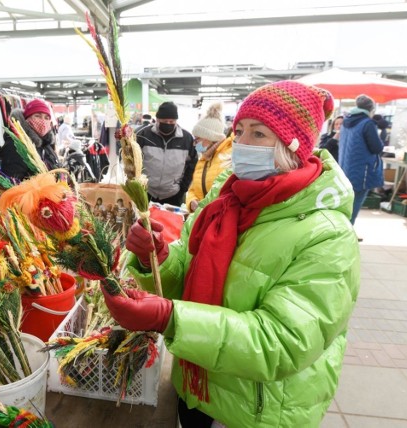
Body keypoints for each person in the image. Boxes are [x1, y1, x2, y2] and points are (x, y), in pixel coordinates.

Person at [103, 81, 360, 427]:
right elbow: (190, 269)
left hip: (255, 411)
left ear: (293, 145)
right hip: (196, 389)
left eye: (258, 134)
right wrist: (159, 257)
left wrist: (170, 318)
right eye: (238, 131)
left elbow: (282, 342)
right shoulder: (225, 199)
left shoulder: (327, 234)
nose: (241, 143)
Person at [136, 101, 197, 206]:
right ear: (157, 120)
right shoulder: (143, 135)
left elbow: (192, 164)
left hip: (174, 194)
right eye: (165, 121)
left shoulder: (186, 139)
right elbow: (133, 161)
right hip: (146, 192)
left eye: (171, 121)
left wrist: (183, 187)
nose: (168, 124)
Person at [338, 94, 384, 225]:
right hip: (361, 172)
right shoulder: (367, 123)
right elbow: (376, 147)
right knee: (355, 205)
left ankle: (342, 231)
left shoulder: (346, 122)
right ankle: (347, 234)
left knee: (345, 205)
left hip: (344, 169)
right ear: (371, 109)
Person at [186, 103, 234, 212]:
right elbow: (193, 189)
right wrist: (191, 202)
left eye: (197, 139)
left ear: (210, 137)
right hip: (201, 217)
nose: (195, 143)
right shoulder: (203, 160)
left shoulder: (228, 158)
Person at [0, 99, 60, 180]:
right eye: (37, 116)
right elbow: (12, 182)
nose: (43, 121)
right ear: (27, 119)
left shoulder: (46, 144)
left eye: (46, 118)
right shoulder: (16, 145)